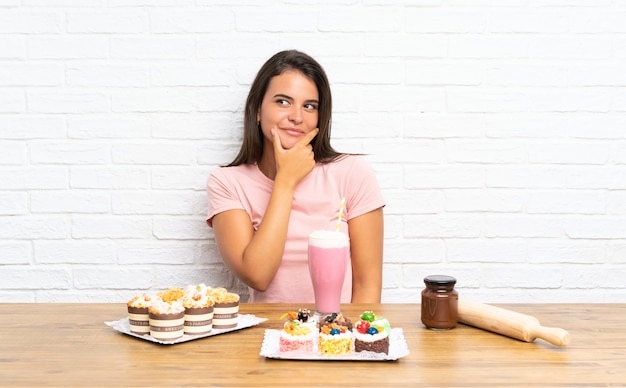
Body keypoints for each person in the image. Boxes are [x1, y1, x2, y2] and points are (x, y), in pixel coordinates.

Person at [206, 50, 385, 304]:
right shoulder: (227, 183)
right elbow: (257, 275)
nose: (296, 117)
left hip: (334, 338)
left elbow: (367, 287)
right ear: (257, 110)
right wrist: (286, 181)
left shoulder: (352, 174)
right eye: (282, 101)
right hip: (265, 338)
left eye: (309, 106)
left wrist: (343, 341)